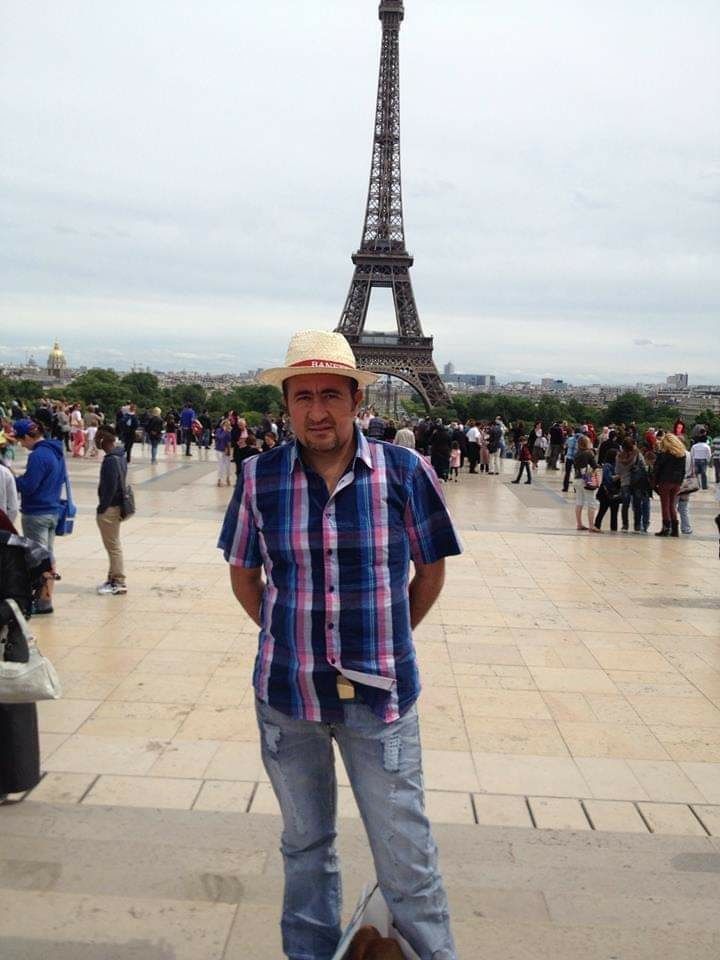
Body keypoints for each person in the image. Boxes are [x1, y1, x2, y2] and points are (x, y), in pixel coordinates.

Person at [219, 330, 461, 960]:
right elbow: (244, 576)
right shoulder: (257, 477)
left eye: (331, 394)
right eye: (303, 397)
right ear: (286, 405)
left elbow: (430, 571)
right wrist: (291, 638)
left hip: (380, 699)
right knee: (305, 849)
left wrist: (386, 639)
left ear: (358, 399)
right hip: (288, 696)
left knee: (407, 860)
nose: (317, 410)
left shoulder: (406, 472)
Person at [0, 508, 49, 803]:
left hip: (5, 644)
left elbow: (16, 602)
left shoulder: (7, 548)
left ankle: (7, 781)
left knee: (8, 717)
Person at [13, 418, 65, 614]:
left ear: (28, 436)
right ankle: (45, 600)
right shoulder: (55, 451)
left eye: (21, 440)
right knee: (47, 556)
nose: (21, 444)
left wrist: (13, 479)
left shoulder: (37, 456)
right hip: (52, 510)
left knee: (37, 559)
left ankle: (41, 601)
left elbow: (29, 486)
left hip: (36, 512)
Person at [95, 426, 128, 595]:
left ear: (102, 441)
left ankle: (118, 581)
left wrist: (102, 507)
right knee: (113, 544)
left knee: (113, 546)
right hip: (117, 506)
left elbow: (110, 487)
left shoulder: (110, 460)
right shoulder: (120, 457)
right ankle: (112, 578)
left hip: (110, 507)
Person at [653, 432, 687, 537]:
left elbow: (657, 469)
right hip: (677, 482)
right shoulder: (682, 455)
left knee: (665, 505)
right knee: (672, 505)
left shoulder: (664, 455)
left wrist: (654, 482)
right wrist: (680, 481)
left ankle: (666, 528)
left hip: (665, 481)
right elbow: (683, 471)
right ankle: (675, 529)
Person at [615, 439, 645, 532]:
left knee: (625, 504)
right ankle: (637, 526)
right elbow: (643, 467)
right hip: (637, 482)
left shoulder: (619, 456)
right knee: (637, 505)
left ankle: (625, 525)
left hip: (624, 482)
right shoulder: (637, 454)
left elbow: (617, 471)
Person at [573, 436, 601, 532]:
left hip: (577, 478)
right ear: (586, 444)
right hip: (586, 479)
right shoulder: (588, 453)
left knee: (579, 501)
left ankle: (579, 524)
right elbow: (595, 466)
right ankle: (591, 526)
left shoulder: (577, 453)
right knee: (591, 502)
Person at [594, 448, 621, 532]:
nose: (618, 457)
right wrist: (618, 476)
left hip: (614, 491)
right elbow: (608, 479)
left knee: (614, 512)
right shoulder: (607, 465)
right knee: (603, 510)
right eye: (617, 455)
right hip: (606, 492)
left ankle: (613, 529)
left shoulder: (617, 465)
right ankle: (597, 526)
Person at [214, 419, 233, 486]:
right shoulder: (218, 430)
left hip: (227, 450)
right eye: (226, 424)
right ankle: (219, 480)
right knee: (220, 465)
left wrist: (229, 450)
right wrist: (225, 431)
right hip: (219, 450)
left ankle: (228, 478)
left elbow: (230, 441)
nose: (227, 426)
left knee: (228, 465)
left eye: (229, 424)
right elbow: (220, 437)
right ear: (223, 424)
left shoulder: (229, 431)